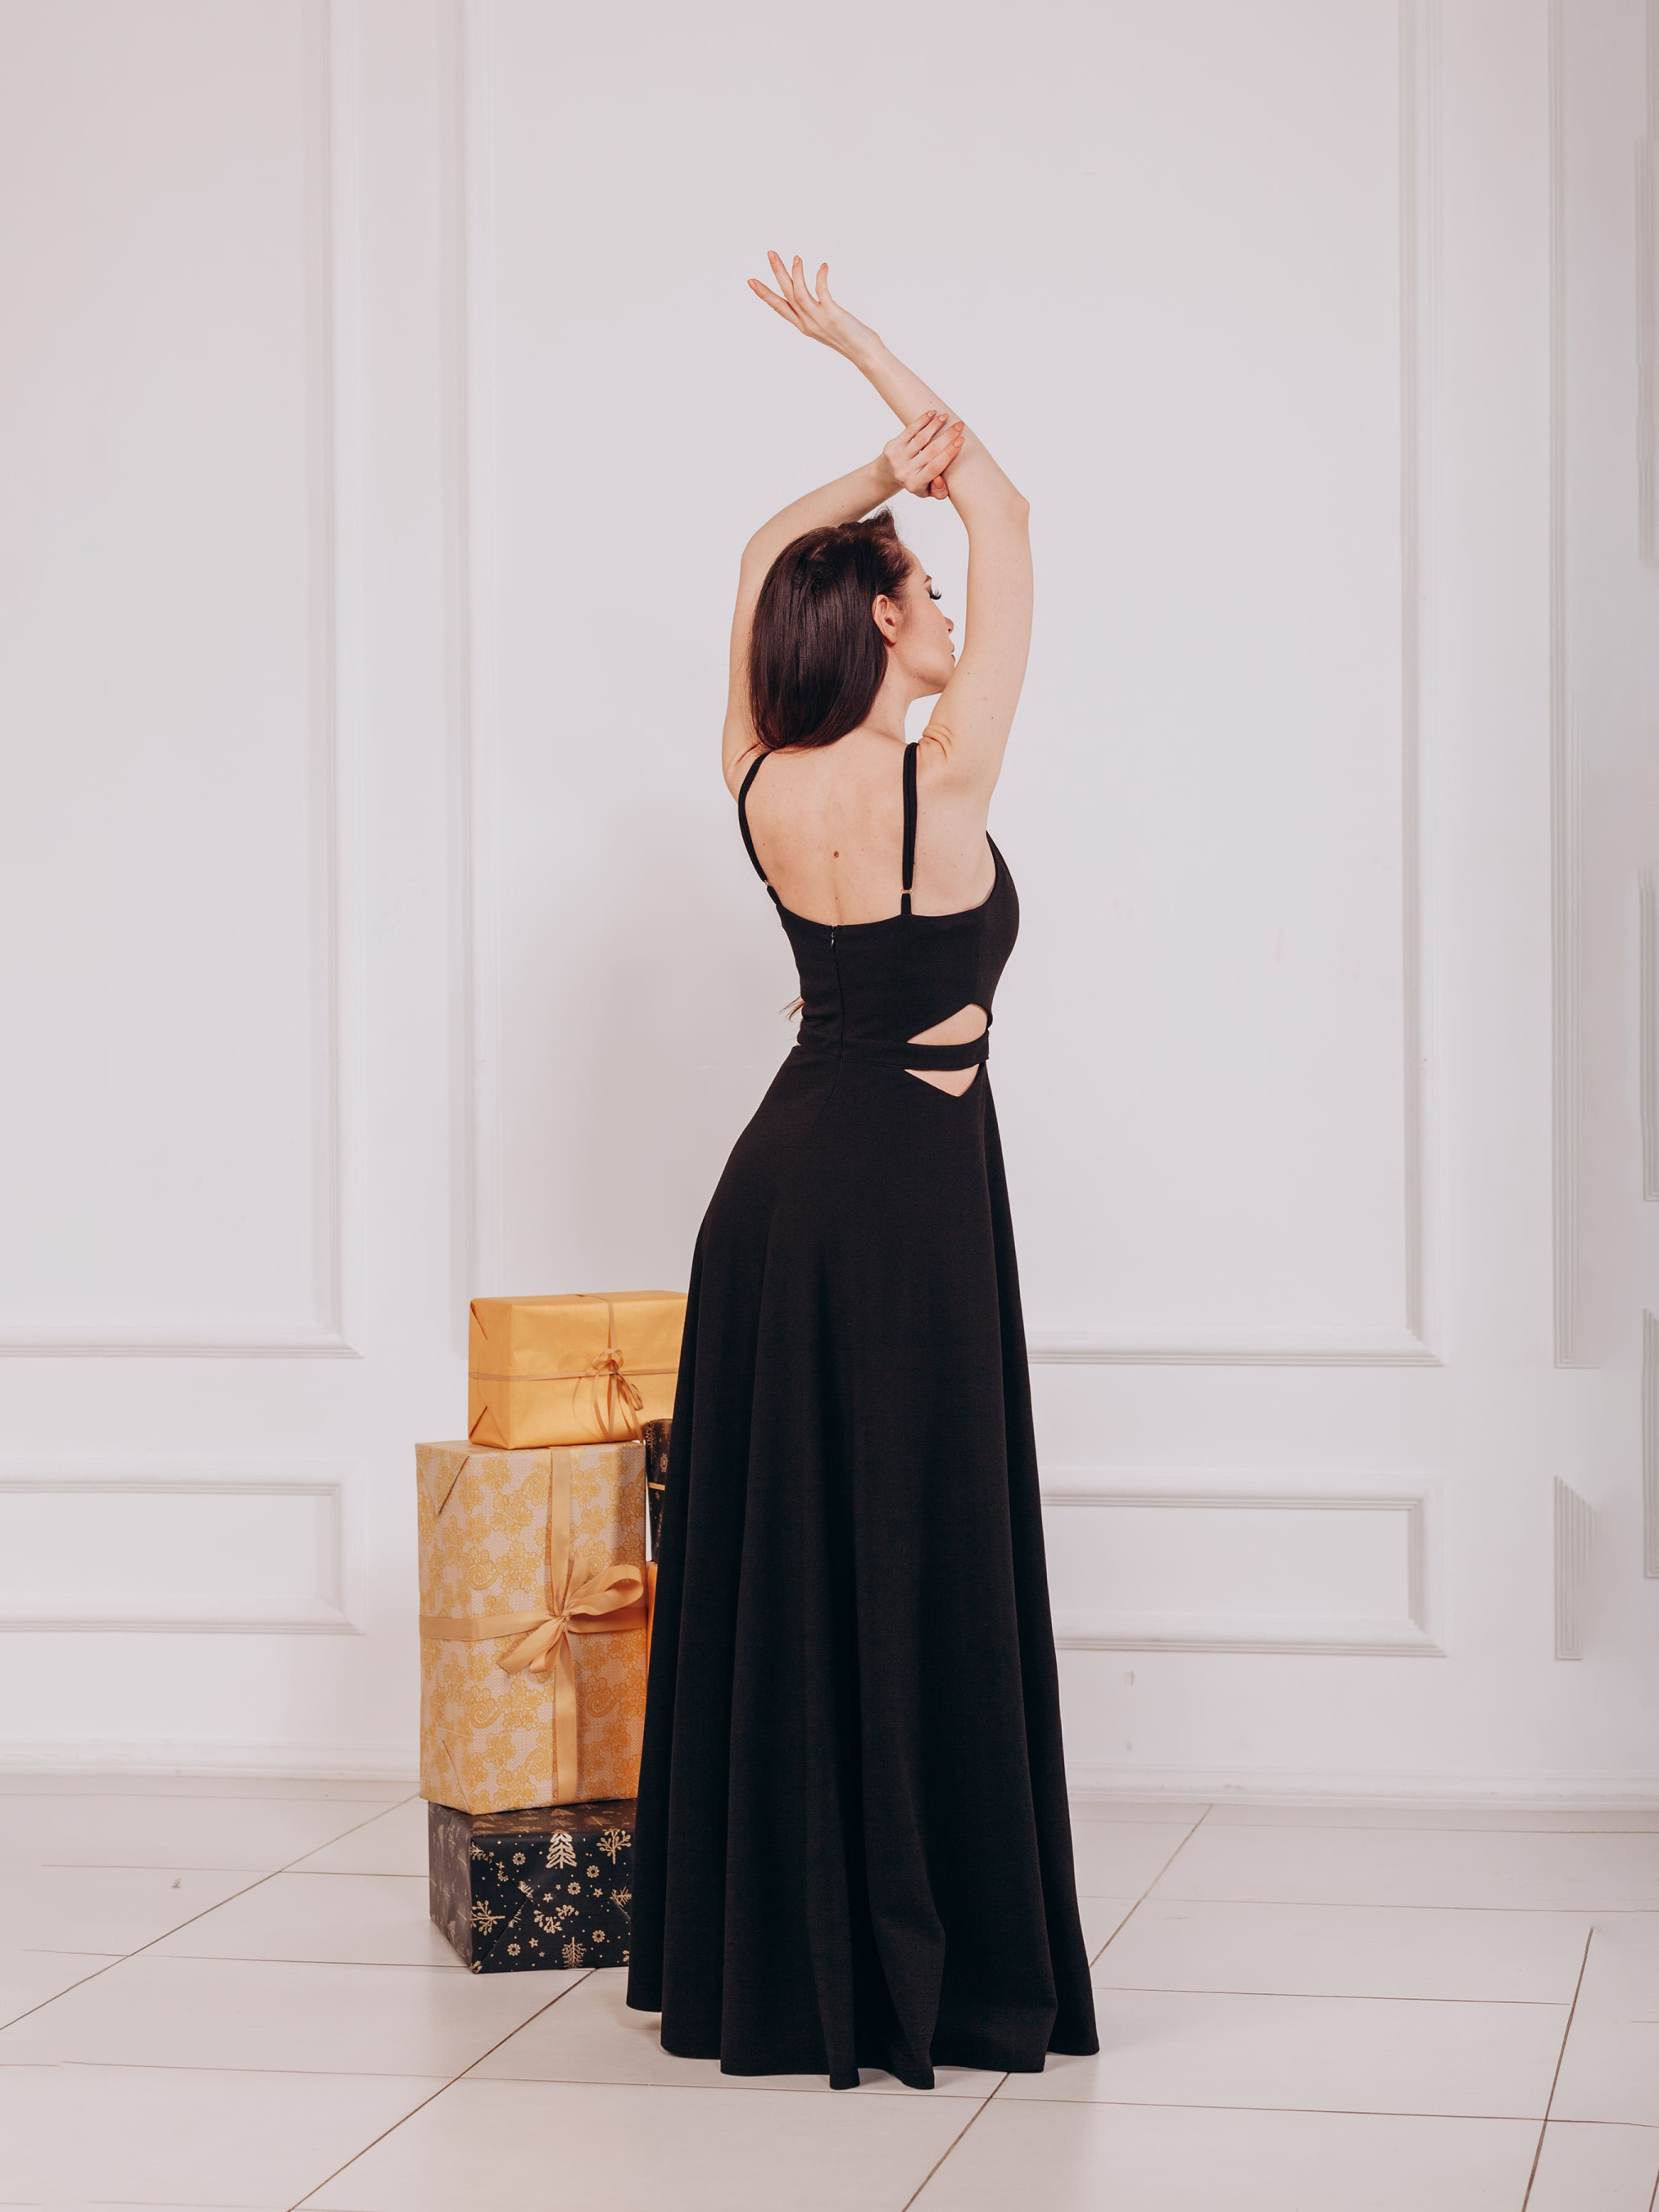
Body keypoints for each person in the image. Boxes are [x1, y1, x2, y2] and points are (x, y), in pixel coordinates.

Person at [626, 252, 1099, 2091]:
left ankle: (796, 1952)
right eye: (926, 592)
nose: (949, 607)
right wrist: (879, 373)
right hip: (902, 1197)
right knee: (912, 1540)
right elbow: (1011, 512)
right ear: (892, 624)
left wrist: (861, 474)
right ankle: (923, 1957)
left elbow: (767, 553)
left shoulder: (757, 771)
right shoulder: (938, 776)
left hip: (778, 1196)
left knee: (806, 1551)